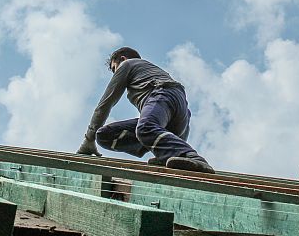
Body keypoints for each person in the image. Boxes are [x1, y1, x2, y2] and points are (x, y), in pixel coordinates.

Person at [76, 46, 215, 174]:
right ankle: (166, 155)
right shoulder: (152, 72)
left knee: (145, 127)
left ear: (122, 59)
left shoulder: (127, 64)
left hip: (162, 95)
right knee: (105, 135)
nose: (115, 74)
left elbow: (105, 103)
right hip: (179, 113)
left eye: (114, 69)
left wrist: (89, 139)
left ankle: (193, 158)